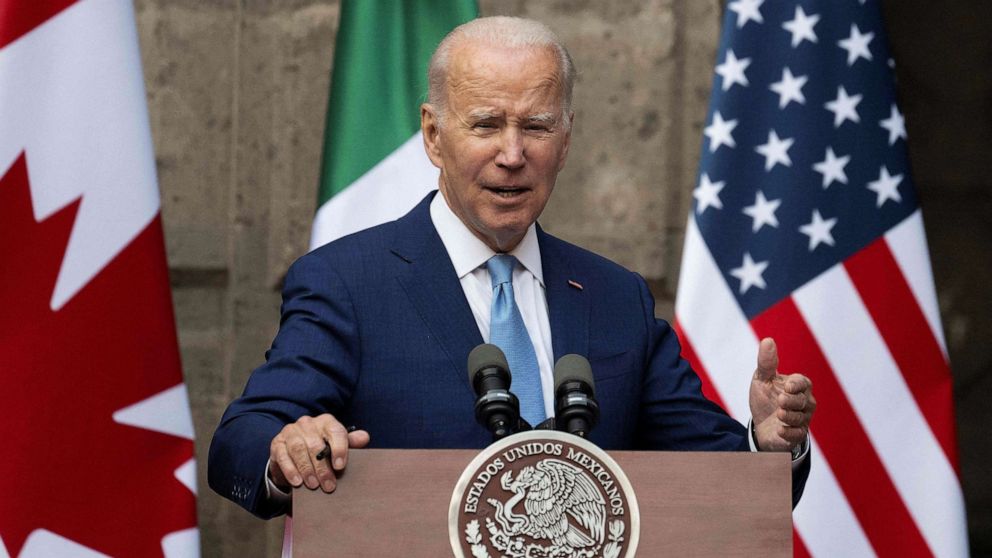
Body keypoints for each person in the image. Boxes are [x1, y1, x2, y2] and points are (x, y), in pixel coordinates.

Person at [208, 16, 815, 520]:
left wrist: (768, 442)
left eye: (536, 126)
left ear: (567, 137)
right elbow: (239, 442)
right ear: (433, 135)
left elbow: (717, 476)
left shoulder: (615, 296)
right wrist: (285, 453)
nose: (513, 155)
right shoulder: (347, 281)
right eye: (486, 124)